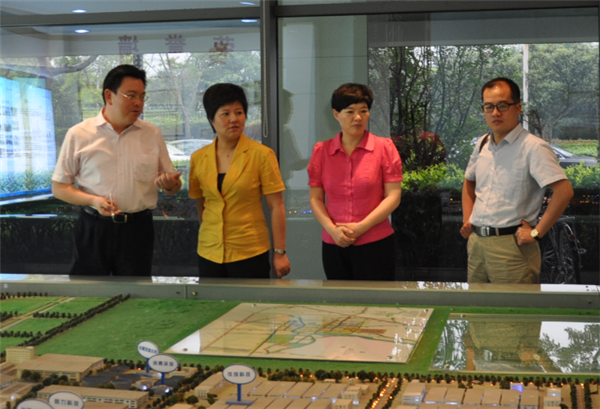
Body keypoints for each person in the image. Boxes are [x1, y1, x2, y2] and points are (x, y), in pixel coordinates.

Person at [52, 64, 182, 276]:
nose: (138, 102)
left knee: (136, 292)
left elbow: (172, 186)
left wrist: (170, 184)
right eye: (131, 96)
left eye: (142, 96)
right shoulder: (79, 134)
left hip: (137, 229)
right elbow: (60, 187)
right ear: (109, 96)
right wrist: (93, 200)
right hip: (94, 227)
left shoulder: (152, 134)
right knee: (88, 290)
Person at [460, 77, 574, 284]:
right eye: (488, 107)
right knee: (477, 303)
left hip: (512, 246)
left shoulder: (533, 147)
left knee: (514, 305)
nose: (495, 113)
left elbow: (564, 191)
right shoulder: (482, 144)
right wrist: (468, 219)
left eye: (502, 105)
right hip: (476, 244)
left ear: (518, 108)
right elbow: (469, 182)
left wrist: (536, 233)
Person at [189, 83, 291, 279]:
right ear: (211, 119)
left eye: (239, 112)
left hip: (249, 251)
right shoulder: (198, 158)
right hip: (209, 252)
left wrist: (280, 252)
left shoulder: (261, 155)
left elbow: (276, 205)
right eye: (225, 113)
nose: (234, 119)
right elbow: (201, 204)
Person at [307, 83, 402, 280]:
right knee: (340, 298)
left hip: (376, 243)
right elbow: (316, 198)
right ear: (336, 114)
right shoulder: (322, 151)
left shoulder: (384, 147)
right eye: (350, 111)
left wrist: (362, 227)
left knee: (376, 298)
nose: (358, 117)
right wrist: (332, 230)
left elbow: (393, 196)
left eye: (363, 111)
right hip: (334, 243)